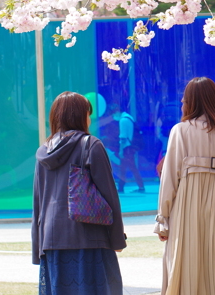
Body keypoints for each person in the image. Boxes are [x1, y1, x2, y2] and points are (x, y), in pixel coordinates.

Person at [156, 77, 215, 295]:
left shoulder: (180, 131)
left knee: (185, 265)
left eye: (185, 100)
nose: (183, 104)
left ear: (192, 102)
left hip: (186, 208)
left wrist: (163, 219)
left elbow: (169, 180)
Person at [32, 91, 125, 294]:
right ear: (80, 116)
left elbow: (38, 205)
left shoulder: (43, 152)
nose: (89, 118)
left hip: (52, 243)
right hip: (90, 239)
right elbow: (110, 195)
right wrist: (117, 239)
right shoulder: (91, 145)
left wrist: (37, 248)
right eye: (87, 113)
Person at [113, 102, 145, 194]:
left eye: (114, 113)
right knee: (125, 168)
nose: (114, 116)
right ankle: (122, 187)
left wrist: (120, 151)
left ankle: (137, 186)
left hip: (127, 149)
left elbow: (123, 137)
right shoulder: (129, 118)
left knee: (130, 168)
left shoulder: (123, 120)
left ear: (117, 111)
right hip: (130, 148)